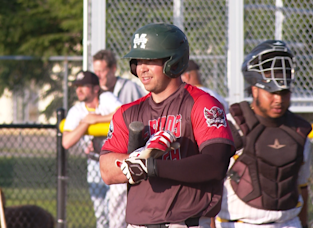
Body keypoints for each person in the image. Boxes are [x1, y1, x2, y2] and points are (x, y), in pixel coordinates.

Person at [99, 23, 235, 228]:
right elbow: (107, 171)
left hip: (187, 223)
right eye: (138, 61)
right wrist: (140, 157)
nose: (141, 68)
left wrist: (152, 167)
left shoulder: (202, 103)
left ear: (174, 61)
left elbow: (214, 164)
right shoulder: (127, 112)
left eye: (150, 60)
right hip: (139, 224)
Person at [214, 40, 312, 228]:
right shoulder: (232, 125)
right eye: (272, 92)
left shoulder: (298, 131)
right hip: (238, 223)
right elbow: (209, 183)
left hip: (289, 222)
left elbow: (302, 186)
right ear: (255, 89)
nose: (278, 100)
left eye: (284, 93)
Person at [93, 49, 146, 228]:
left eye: (102, 71)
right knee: (100, 213)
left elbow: (142, 116)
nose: (98, 75)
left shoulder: (129, 88)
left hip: (124, 158)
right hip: (98, 158)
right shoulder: (95, 92)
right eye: (96, 71)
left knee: (119, 213)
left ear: (113, 69)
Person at [61, 71, 122, 228]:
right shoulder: (77, 111)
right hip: (94, 163)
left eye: (84, 86)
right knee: (100, 214)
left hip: (116, 162)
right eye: (77, 86)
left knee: (117, 213)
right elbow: (66, 142)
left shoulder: (106, 98)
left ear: (96, 88)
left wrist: (96, 119)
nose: (79, 90)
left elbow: (122, 112)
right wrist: (85, 124)